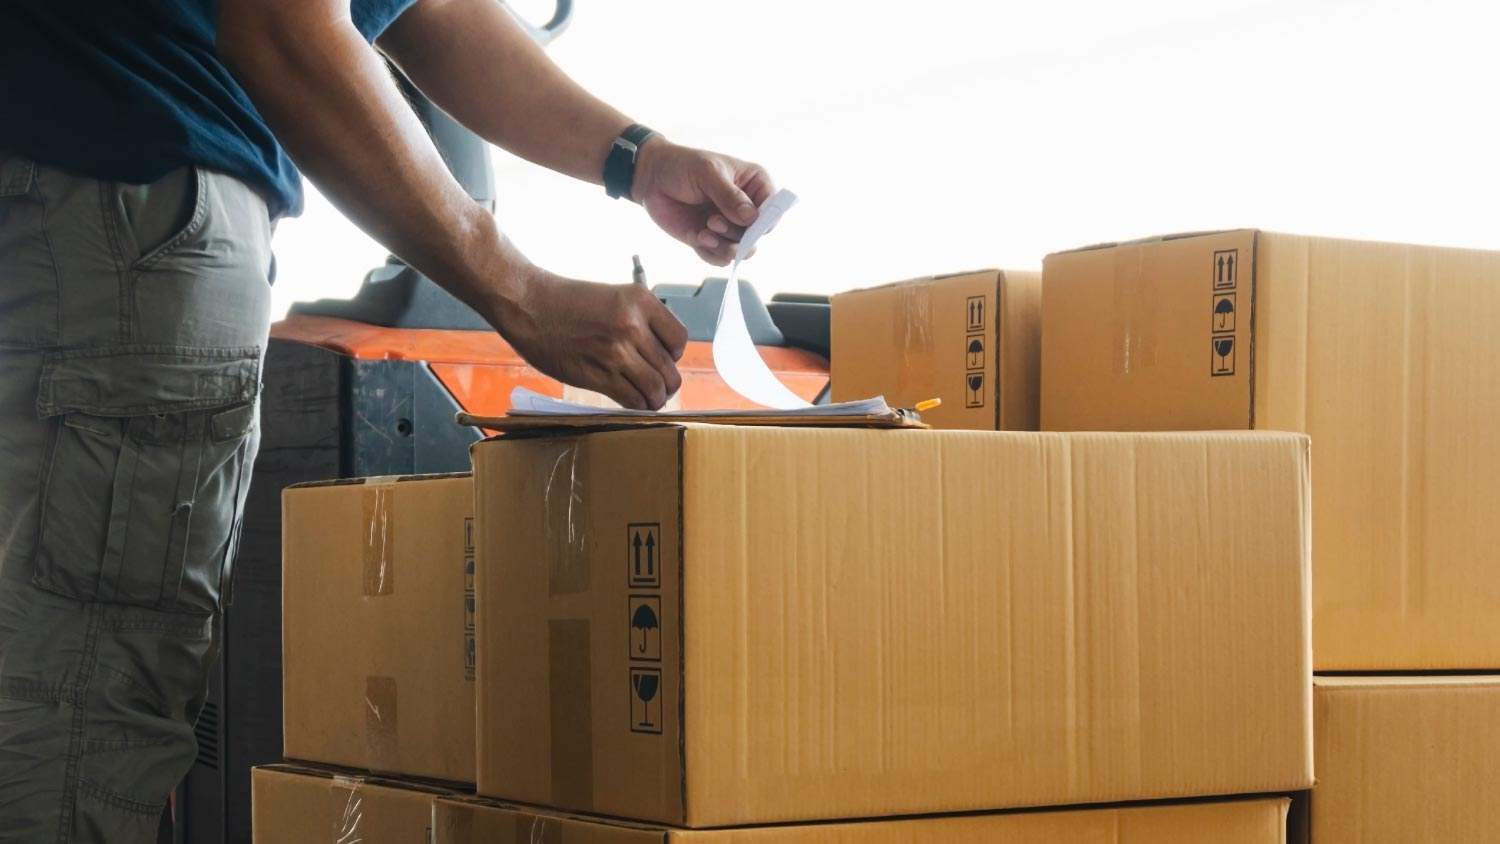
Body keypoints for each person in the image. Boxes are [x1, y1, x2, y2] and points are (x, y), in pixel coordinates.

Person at [0, 1, 774, 839]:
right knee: (83, 711)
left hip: (89, 205)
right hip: (113, 207)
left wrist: (637, 157)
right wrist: (520, 290)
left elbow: (418, 9)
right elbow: (283, 17)